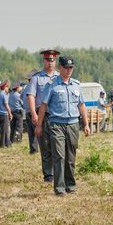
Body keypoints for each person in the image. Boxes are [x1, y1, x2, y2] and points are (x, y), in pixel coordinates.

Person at [35, 56, 90, 196]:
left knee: (71, 157)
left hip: (73, 124)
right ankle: (59, 188)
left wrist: (86, 124)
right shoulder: (52, 85)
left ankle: (70, 185)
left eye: (71, 68)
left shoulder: (76, 85)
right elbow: (43, 106)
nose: (68, 70)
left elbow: (81, 105)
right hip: (56, 124)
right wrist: (39, 125)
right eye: (66, 67)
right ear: (60, 68)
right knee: (59, 156)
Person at [27, 49, 60, 182]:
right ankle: (48, 175)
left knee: (58, 145)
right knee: (45, 145)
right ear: (44, 61)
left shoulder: (59, 77)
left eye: (53, 60)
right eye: (48, 60)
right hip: (43, 115)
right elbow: (31, 96)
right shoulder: (37, 78)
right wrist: (34, 114)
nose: (50, 63)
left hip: (57, 115)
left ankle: (59, 172)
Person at [22, 69, 39, 154]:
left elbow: (21, 98)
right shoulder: (35, 87)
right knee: (38, 130)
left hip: (27, 111)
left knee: (31, 132)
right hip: (34, 111)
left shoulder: (25, 88)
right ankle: (38, 148)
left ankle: (33, 149)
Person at [0, 80, 13, 148]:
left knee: (4, 130)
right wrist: (10, 113)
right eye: (7, 87)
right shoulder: (4, 94)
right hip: (4, 114)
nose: (8, 88)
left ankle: (7, 144)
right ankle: (2, 145)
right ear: (5, 87)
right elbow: (6, 105)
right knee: (5, 130)